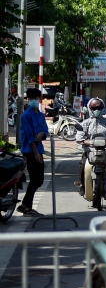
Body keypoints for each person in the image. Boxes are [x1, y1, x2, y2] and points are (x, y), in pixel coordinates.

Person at [74, 97, 106, 208]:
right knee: (83, 164)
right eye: (94, 108)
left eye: (99, 108)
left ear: (102, 109)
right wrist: (82, 140)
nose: (96, 110)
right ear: (89, 109)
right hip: (90, 151)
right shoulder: (86, 123)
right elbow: (79, 134)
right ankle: (82, 183)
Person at [17, 88, 48, 216]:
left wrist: (42, 134)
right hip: (30, 151)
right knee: (36, 179)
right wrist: (35, 153)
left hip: (39, 149)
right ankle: (25, 205)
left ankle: (26, 205)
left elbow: (45, 130)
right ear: (28, 99)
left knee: (39, 179)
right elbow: (30, 137)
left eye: (36, 98)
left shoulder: (40, 115)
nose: (34, 100)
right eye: (32, 98)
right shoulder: (26, 116)